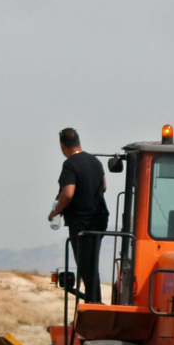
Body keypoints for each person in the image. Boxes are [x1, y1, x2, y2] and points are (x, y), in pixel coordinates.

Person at [48, 127, 109, 304]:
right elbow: (104, 186)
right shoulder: (95, 161)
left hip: (82, 221)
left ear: (63, 146)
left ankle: (93, 304)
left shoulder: (70, 164)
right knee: (91, 264)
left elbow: (68, 193)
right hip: (99, 219)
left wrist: (56, 211)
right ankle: (94, 301)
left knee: (85, 265)